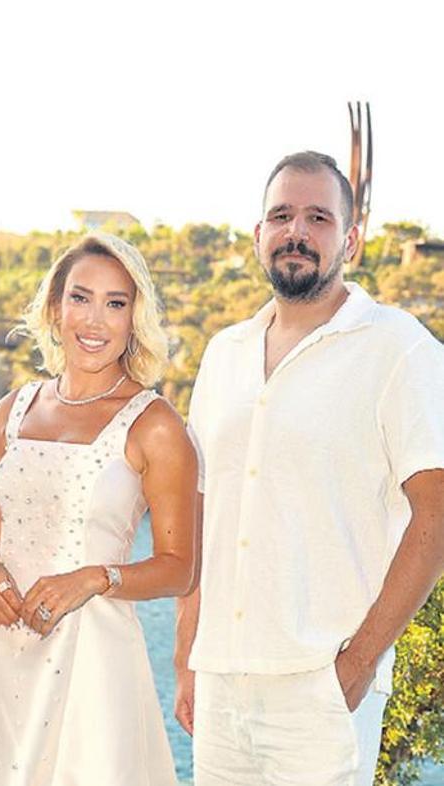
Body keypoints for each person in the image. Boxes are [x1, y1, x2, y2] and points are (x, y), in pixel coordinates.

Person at [174, 151, 444, 785]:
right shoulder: (223, 354)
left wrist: (360, 662)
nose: (296, 231)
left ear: (350, 239)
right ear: (258, 234)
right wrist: (188, 654)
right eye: (281, 216)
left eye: (319, 217)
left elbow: (435, 513)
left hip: (322, 687)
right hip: (220, 684)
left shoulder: (399, 347)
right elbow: (203, 513)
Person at [0, 233, 198, 785]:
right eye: (81, 298)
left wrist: (93, 578)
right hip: (7, 651)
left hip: (93, 664)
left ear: (134, 319)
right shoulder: (13, 409)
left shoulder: (154, 423)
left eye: (115, 303)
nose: (95, 320)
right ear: (56, 308)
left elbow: (179, 568)